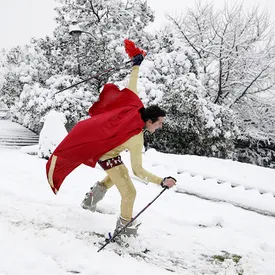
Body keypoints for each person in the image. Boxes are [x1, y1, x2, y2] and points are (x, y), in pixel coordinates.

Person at [46, 40, 176, 238]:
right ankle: (124, 230)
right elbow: (138, 170)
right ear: (150, 120)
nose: (160, 127)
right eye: (159, 123)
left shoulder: (134, 106)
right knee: (129, 192)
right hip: (106, 155)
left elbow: (133, 84)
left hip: (109, 154)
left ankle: (90, 200)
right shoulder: (136, 136)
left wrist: (136, 64)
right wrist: (161, 181)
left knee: (119, 176)